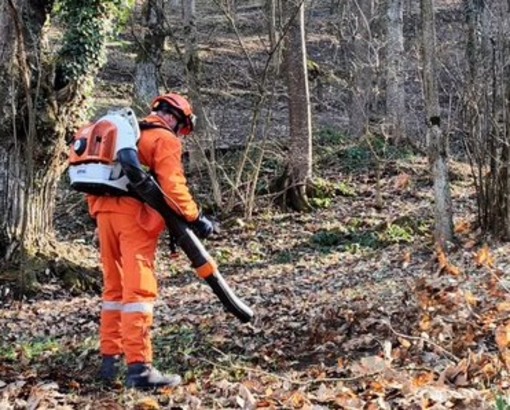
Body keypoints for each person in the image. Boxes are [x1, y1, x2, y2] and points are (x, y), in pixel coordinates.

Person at [87, 93, 214, 389]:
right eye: (181, 127)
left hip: (104, 213)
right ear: (175, 118)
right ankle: (140, 368)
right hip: (136, 219)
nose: (180, 133)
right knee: (138, 292)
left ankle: (110, 362)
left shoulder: (126, 134)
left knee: (113, 290)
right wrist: (196, 218)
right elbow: (173, 188)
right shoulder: (163, 139)